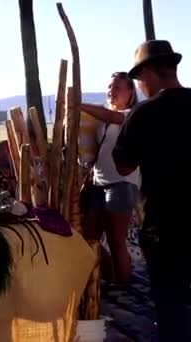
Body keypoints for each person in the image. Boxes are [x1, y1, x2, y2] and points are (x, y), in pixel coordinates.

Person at [112, 40, 191, 341]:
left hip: (166, 226)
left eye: (138, 79)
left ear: (147, 73)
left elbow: (123, 166)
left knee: (171, 308)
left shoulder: (143, 114)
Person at [79, 72, 140, 285]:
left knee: (116, 241)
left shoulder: (131, 114)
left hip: (121, 184)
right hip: (98, 183)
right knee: (90, 236)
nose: (110, 92)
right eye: (109, 87)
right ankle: (111, 276)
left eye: (116, 88)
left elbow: (112, 116)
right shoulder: (102, 121)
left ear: (130, 91)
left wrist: (77, 104)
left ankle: (124, 287)